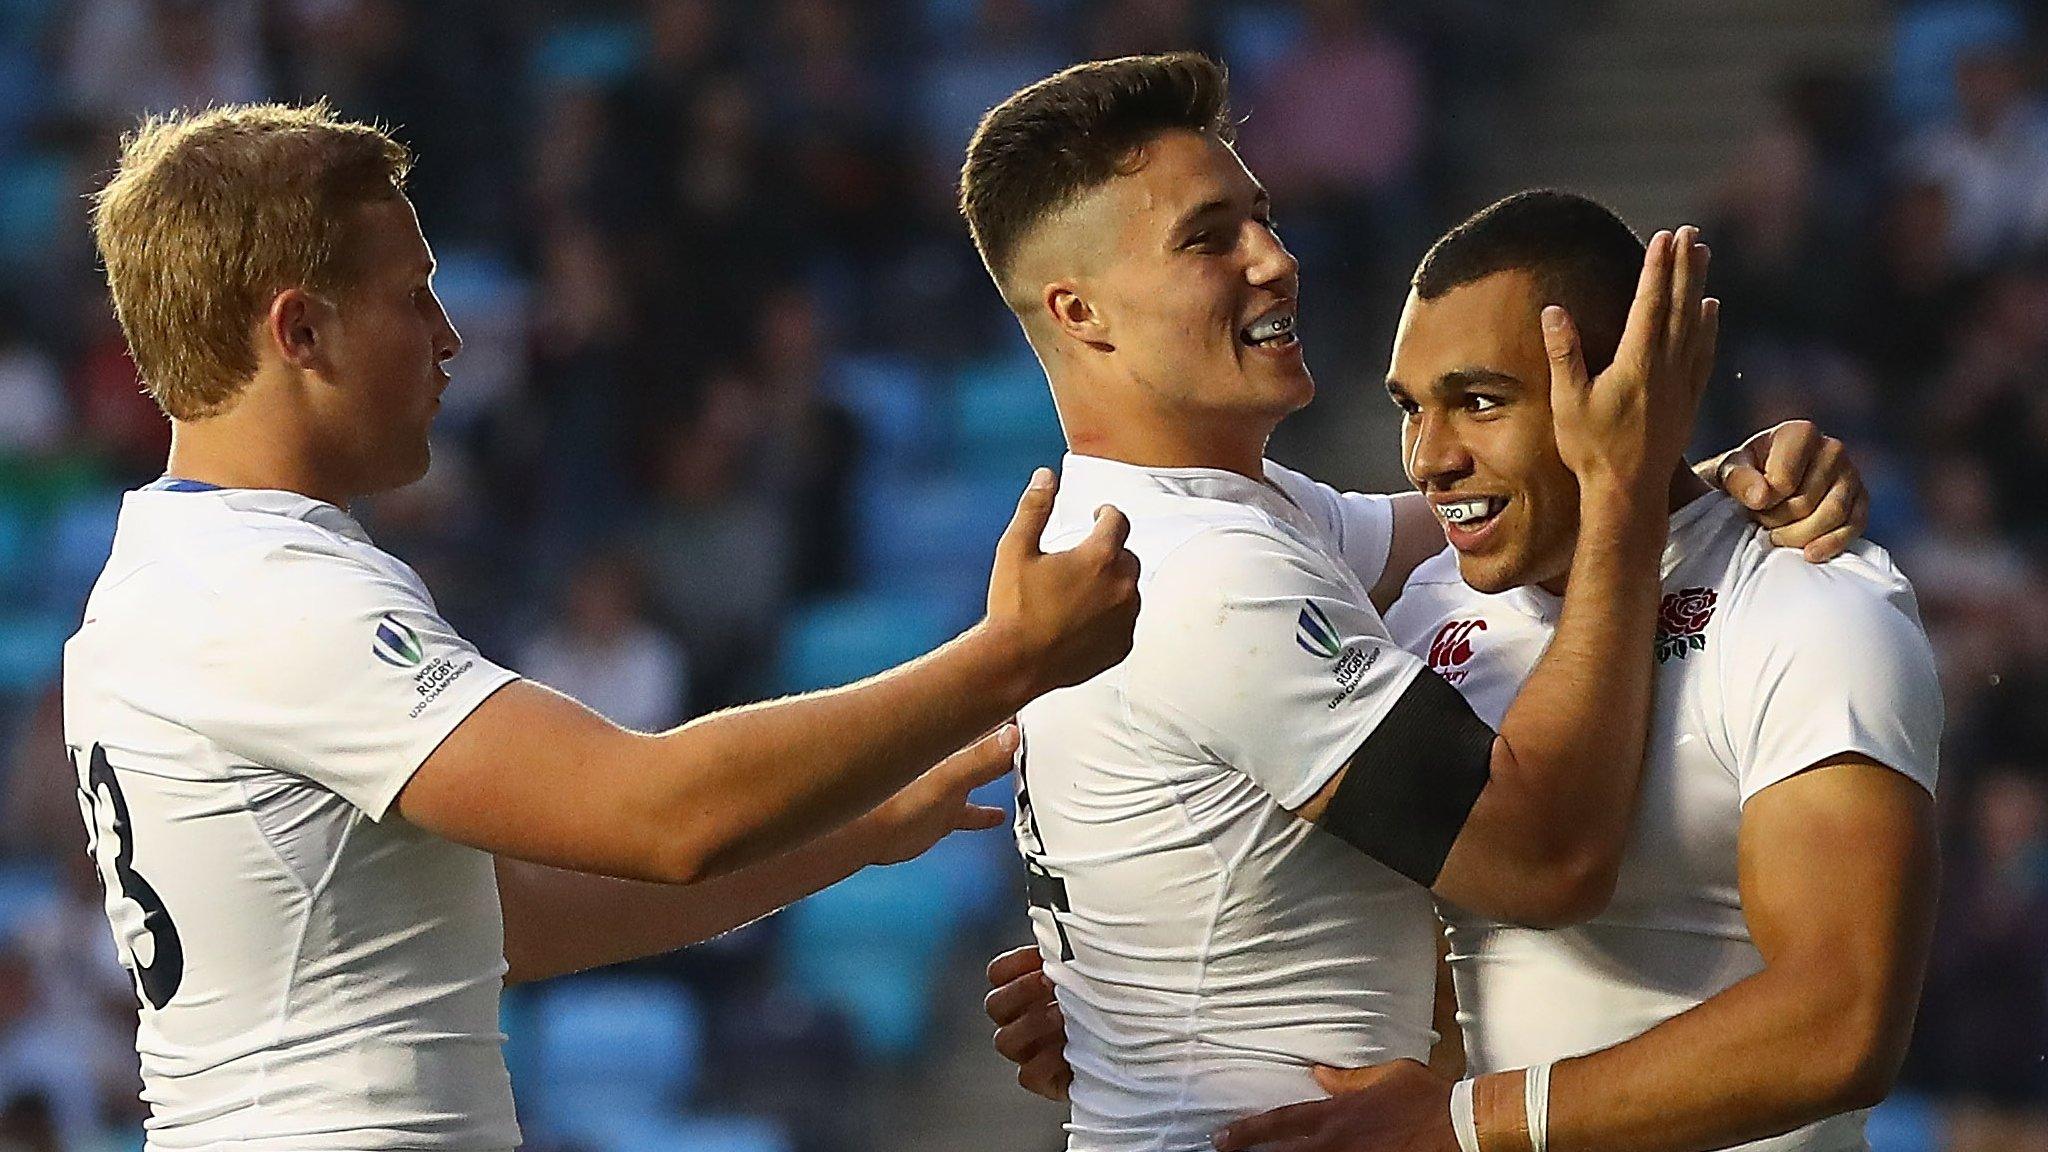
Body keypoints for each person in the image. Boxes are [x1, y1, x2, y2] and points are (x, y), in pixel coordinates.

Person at [65, 101, 1140, 1151]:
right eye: (413, 298)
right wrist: (1005, 656)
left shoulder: (163, 580)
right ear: (300, 329)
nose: (449, 339)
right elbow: (659, 812)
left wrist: (852, 829)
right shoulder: (274, 594)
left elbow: (506, 924)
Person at [954, 55, 1864, 1151]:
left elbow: (1502, 495)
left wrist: (1705, 473)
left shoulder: (1228, 519)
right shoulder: (1207, 578)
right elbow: (1540, 858)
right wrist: (1632, 494)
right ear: (1080, 312)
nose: (1276, 261)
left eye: (1264, 217)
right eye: (1208, 238)